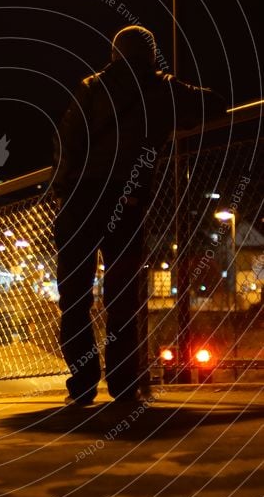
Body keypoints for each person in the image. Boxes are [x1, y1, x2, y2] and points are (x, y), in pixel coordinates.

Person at [52, 25, 226, 405]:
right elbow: (214, 104)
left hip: (81, 201)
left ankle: (81, 385)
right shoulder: (162, 91)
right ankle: (123, 384)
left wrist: (64, 193)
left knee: (75, 297)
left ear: (114, 54)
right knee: (123, 298)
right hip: (126, 202)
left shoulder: (90, 87)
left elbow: (67, 142)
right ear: (150, 56)